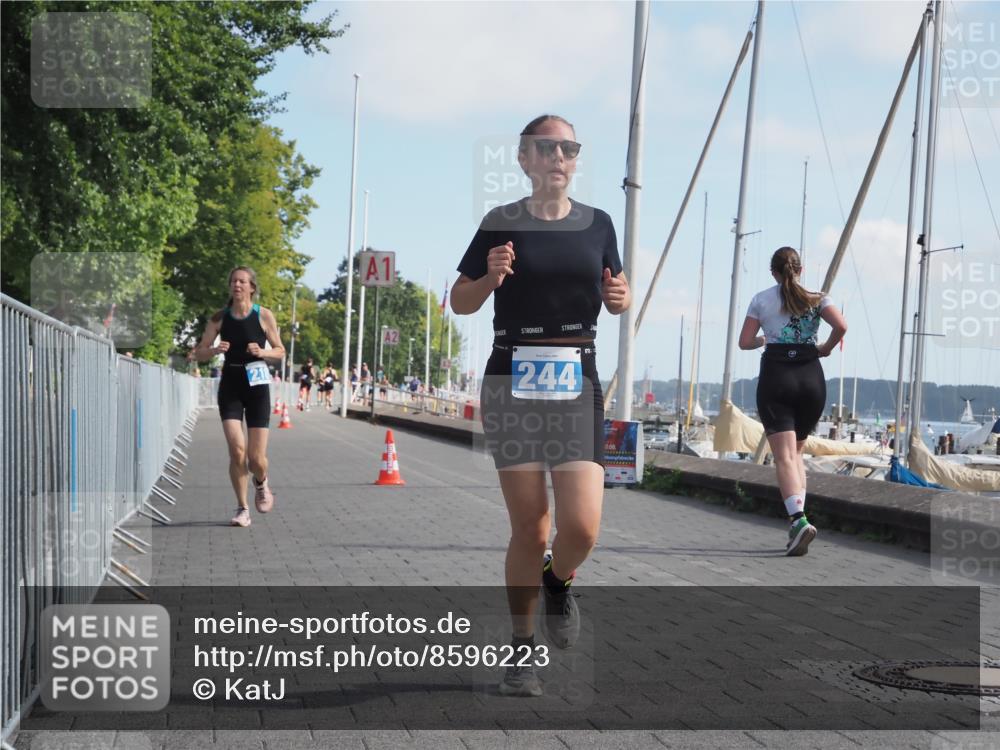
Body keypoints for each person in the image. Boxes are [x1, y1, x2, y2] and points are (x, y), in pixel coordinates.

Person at [451, 114, 631, 697]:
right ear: (525, 160)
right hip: (512, 377)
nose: (559, 156)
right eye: (546, 148)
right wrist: (491, 278)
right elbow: (460, 302)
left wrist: (621, 296)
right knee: (531, 527)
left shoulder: (599, 223)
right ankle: (523, 648)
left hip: (577, 375)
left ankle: (559, 581)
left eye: (569, 148)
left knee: (581, 526)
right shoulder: (500, 224)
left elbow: (618, 293)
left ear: (575, 160)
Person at [739, 246, 847, 556]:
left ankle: (798, 520)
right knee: (796, 454)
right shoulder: (818, 298)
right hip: (811, 378)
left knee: (784, 457)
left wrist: (765, 338)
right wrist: (824, 348)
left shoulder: (762, 299)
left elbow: (745, 342)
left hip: (777, 376)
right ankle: (798, 525)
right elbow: (841, 326)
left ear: (774, 272)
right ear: (800, 270)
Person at [193, 266, 285, 528]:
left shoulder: (264, 316)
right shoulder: (219, 318)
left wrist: (263, 352)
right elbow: (198, 353)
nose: (237, 285)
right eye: (233, 281)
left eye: (242, 281)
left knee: (256, 458)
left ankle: (262, 482)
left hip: (256, 386)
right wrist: (212, 350)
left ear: (252, 287)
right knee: (237, 451)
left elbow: (280, 351)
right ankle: (242, 507)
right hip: (231, 383)